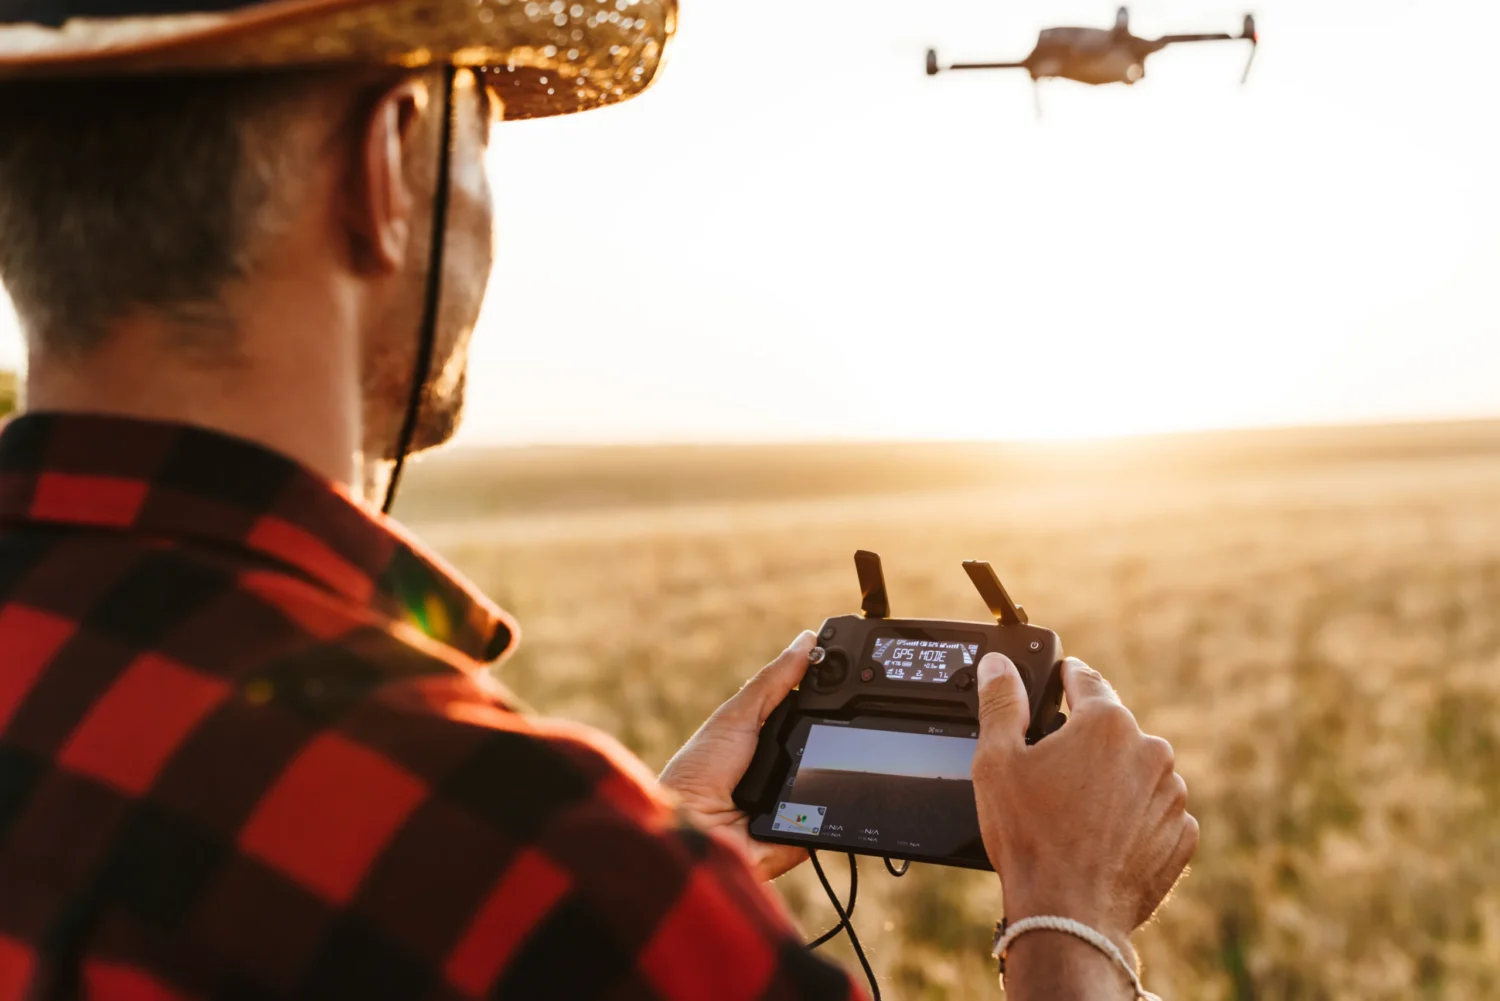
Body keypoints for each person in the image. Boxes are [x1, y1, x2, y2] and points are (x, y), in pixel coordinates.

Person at [0, 2, 1197, 999]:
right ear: (388, 162)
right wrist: (1071, 918)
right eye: (483, 135)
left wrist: (662, 834)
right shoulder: (558, 886)